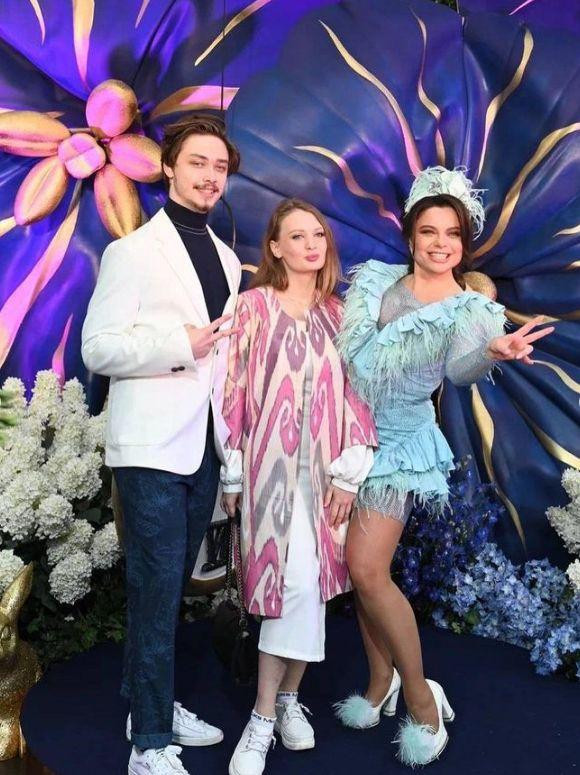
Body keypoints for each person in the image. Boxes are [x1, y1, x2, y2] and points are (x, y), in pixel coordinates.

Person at [334, 167, 553, 767]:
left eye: (452, 233)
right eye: (429, 231)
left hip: (398, 446)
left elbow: (458, 372)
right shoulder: (377, 282)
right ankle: (380, 683)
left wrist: (492, 350)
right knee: (358, 573)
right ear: (410, 235)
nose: (440, 243)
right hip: (344, 440)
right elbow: (346, 361)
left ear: (464, 241)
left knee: (367, 568)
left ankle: (421, 699)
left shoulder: (469, 308)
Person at [81, 115, 242, 775]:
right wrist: (181, 344)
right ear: (170, 167)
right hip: (148, 449)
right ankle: (148, 742)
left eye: (220, 167)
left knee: (169, 589)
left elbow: (224, 366)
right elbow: (98, 348)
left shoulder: (227, 258)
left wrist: (231, 456)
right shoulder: (132, 252)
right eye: (198, 162)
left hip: (201, 449)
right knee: (154, 587)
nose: (210, 176)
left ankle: (147, 703)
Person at [220, 198, 377, 775]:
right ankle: (267, 714)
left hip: (325, 480)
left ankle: (280, 705)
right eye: (297, 236)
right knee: (287, 585)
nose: (311, 245)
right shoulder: (252, 307)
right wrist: (232, 469)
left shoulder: (340, 315)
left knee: (308, 586)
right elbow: (231, 390)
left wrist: (350, 473)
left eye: (318, 235)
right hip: (268, 474)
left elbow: (359, 395)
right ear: (275, 247)